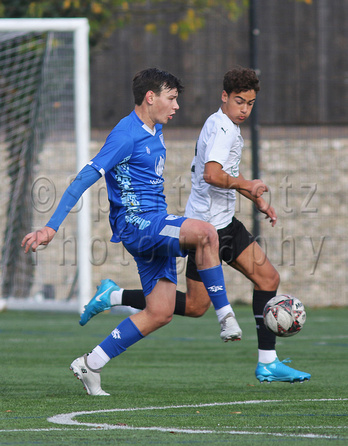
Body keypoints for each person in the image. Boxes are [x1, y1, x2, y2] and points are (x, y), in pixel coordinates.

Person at [22, 68, 256, 396]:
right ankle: (226, 317)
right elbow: (84, 179)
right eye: (171, 98)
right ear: (151, 98)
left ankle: (91, 363)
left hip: (153, 225)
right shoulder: (125, 135)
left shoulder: (155, 128)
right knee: (206, 234)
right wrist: (51, 226)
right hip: (138, 226)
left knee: (159, 312)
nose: (176, 106)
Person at [78, 67, 311, 384]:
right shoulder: (222, 130)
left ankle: (115, 297)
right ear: (224, 97)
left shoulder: (224, 125)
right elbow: (212, 175)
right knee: (255, 282)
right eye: (239, 101)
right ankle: (265, 359)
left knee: (205, 301)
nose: (244, 109)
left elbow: (219, 174)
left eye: (251, 103)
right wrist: (247, 183)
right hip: (209, 227)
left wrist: (253, 196)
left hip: (223, 222)